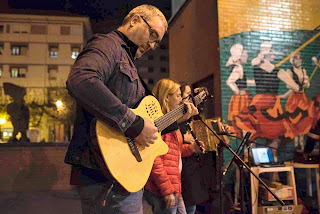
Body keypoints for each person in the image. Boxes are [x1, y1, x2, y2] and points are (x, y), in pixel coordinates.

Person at [64, 5, 167, 214]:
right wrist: (135, 124)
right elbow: (81, 79)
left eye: (157, 41)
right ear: (135, 20)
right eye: (152, 34)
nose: (153, 45)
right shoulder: (108, 44)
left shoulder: (128, 59)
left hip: (119, 174)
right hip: (103, 173)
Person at [144, 78, 203, 214]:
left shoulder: (171, 122)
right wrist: (167, 191)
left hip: (173, 186)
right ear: (166, 98)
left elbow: (172, 151)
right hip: (163, 189)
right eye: (177, 96)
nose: (180, 99)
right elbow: (155, 160)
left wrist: (191, 148)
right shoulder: (159, 124)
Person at [178, 82, 215, 214]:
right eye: (187, 95)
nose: (190, 98)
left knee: (191, 207)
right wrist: (183, 138)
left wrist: (203, 93)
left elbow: (201, 107)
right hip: (182, 170)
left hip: (191, 166)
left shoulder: (187, 114)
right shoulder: (176, 116)